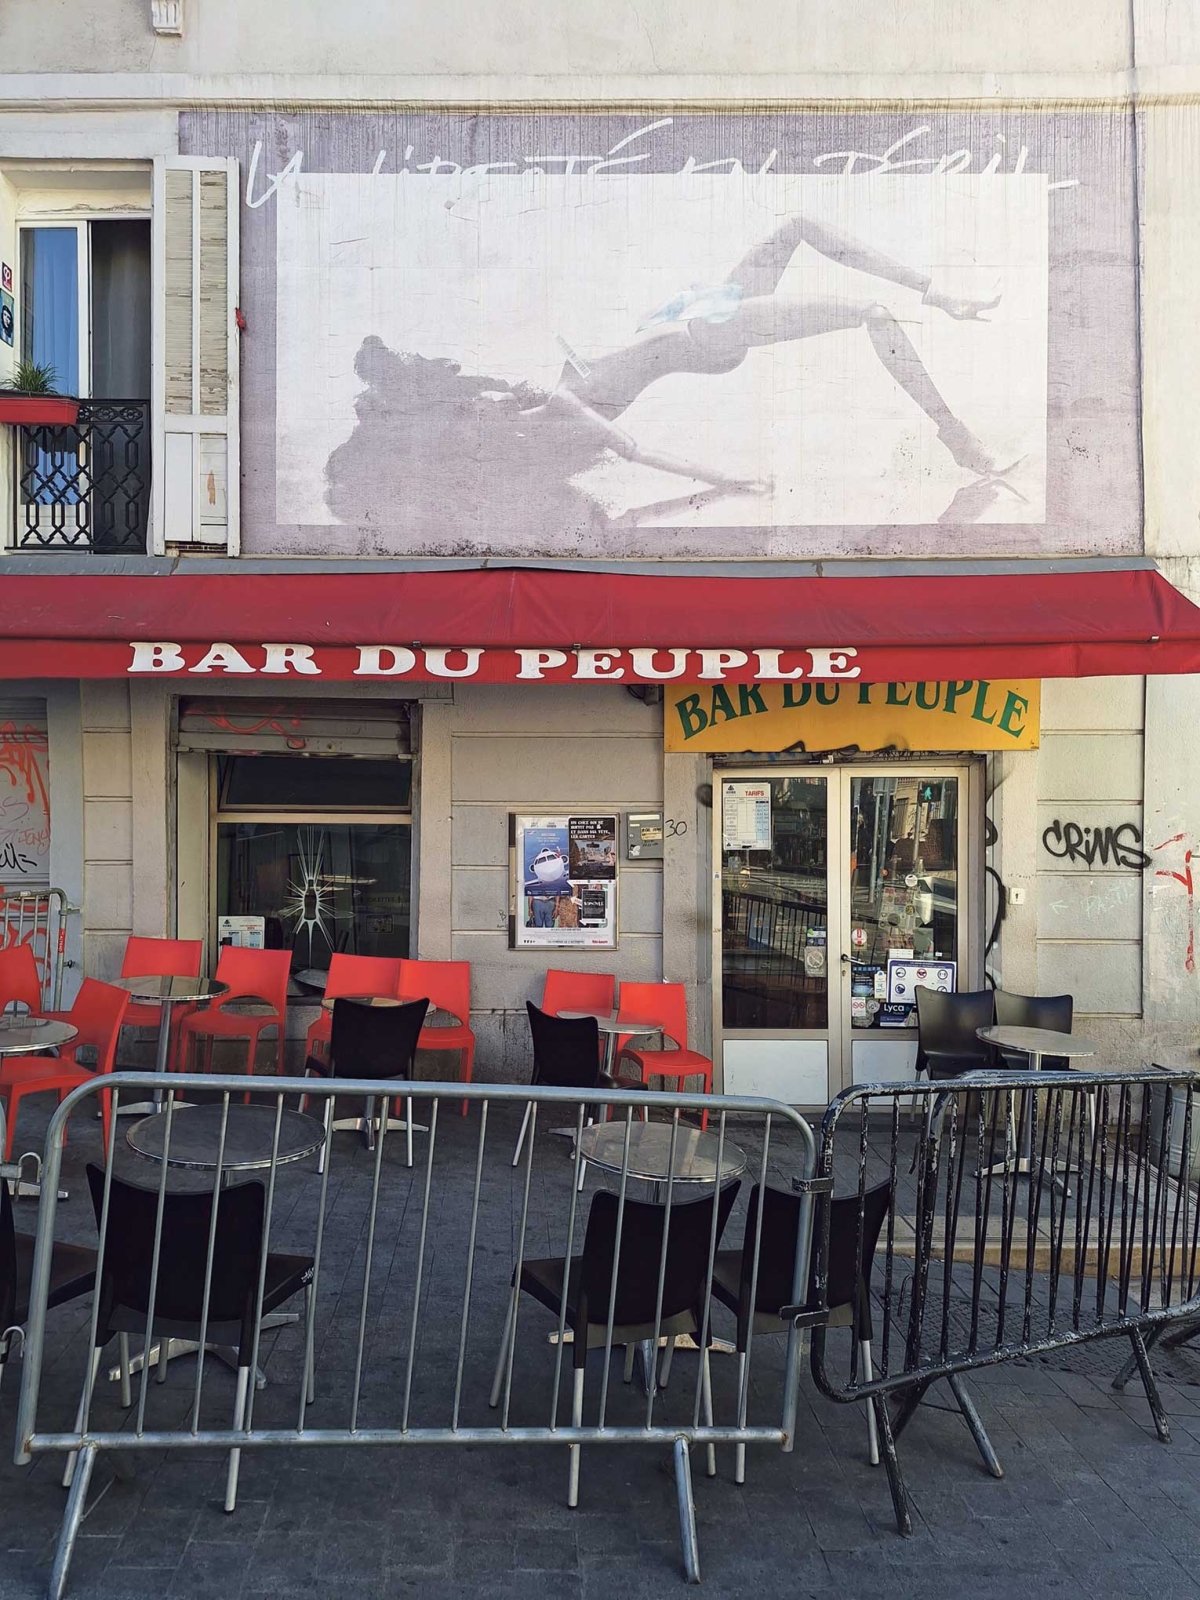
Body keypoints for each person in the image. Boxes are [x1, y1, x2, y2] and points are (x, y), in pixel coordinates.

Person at [326, 209, 1007, 536]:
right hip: (710, 336)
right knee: (870, 310)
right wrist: (729, 482)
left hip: (700, 318)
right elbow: (639, 451)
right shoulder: (543, 410)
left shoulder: (510, 403)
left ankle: (939, 310)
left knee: (802, 230)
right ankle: (952, 421)